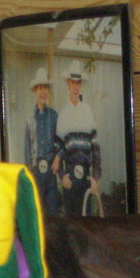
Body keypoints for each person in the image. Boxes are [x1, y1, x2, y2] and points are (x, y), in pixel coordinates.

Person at [55, 65, 101, 216]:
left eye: (78, 83)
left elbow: (95, 146)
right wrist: (62, 175)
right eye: (72, 83)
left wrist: (95, 176)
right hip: (70, 179)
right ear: (68, 84)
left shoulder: (87, 111)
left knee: (87, 221)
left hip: (86, 177)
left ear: (81, 85)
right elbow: (59, 148)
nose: (75, 87)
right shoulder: (63, 114)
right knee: (71, 222)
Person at [23, 67, 60, 216]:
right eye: (40, 88)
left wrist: (57, 158)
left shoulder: (54, 116)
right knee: (37, 214)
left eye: (45, 88)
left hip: (51, 171)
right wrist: (28, 174)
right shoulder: (30, 120)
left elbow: (60, 142)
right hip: (36, 171)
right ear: (35, 91)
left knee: (52, 213)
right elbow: (27, 149)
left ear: (48, 91)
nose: (43, 91)